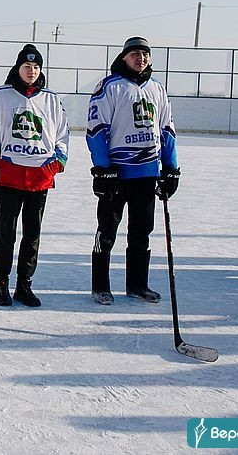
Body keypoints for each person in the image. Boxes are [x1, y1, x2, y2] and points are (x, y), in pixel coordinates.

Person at [86, 36, 180, 305]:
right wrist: (103, 168)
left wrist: (171, 167)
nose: (141, 58)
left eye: (145, 54)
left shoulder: (158, 89)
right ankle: (100, 286)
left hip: (147, 172)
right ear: (124, 57)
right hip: (117, 173)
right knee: (107, 230)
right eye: (135, 54)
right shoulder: (109, 87)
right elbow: (96, 129)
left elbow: (167, 130)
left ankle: (137, 284)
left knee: (142, 230)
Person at [0, 44, 69, 307]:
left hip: (40, 178)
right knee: (6, 232)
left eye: (36, 67)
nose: (31, 71)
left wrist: (54, 165)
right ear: (17, 68)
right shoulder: (0, 96)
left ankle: (24, 284)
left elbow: (63, 137)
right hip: (10, 176)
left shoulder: (51, 99)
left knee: (32, 233)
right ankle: (1, 283)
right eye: (27, 66)